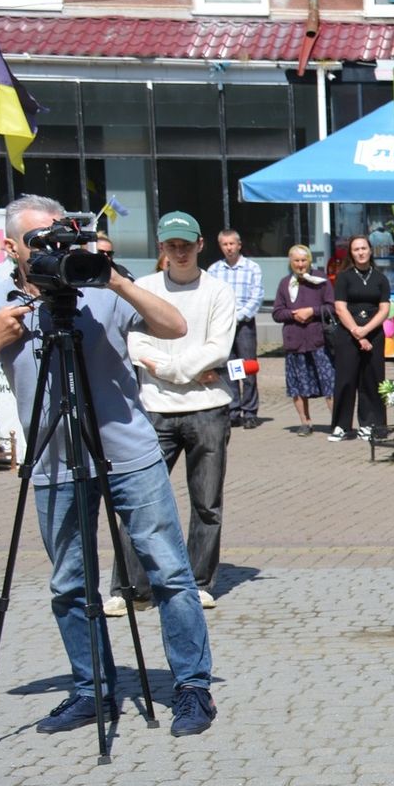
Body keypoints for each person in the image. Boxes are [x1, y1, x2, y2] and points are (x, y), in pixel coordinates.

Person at [0, 193, 217, 738]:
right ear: (10, 246)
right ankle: (93, 689)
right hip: (54, 463)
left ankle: (191, 687)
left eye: (62, 234)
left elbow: (174, 325)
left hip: (130, 456)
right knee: (69, 584)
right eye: (41, 240)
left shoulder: (100, 286)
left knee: (169, 573)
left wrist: (113, 278)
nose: (55, 247)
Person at [108, 211, 237, 614]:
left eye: (186, 245)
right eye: (171, 245)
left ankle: (198, 581)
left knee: (206, 502)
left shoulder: (219, 291)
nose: (179, 252)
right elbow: (131, 342)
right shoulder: (142, 288)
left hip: (208, 407)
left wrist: (169, 367)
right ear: (160, 247)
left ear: (201, 245)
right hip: (153, 408)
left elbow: (218, 346)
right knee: (138, 500)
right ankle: (131, 586)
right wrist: (181, 370)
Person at [329, 234, 391, 442]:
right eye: (356, 249)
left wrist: (367, 331)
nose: (361, 252)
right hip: (348, 333)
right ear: (351, 253)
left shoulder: (380, 278)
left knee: (372, 380)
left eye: (364, 248)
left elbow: (384, 309)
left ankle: (372, 424)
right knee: (346, 380)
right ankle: (341, 425)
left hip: (374, 334)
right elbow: (340, 307)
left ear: (370, 250)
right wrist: (356, 331)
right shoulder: (344, 277)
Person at [272, 245, 335, 436]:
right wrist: (293, 314)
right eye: (296, 261)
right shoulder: (285, 284)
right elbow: (277, 312)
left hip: (318, 340)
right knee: (298, 385)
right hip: (295, 341)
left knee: (329, 382)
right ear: (290, 262)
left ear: (309, 260)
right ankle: (305, 422)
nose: (300, 264)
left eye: (303, 260)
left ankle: (337, 422)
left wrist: (312, 311)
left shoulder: (321, 280)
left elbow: (331, 307)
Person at [211, 228, 262, 428]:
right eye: (225, 244)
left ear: (239, 245)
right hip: (223, 325)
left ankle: (250, 411)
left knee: (248, 367)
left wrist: (238, 316)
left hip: (244, 324)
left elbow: (256, 297)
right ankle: (233, 409)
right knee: (230, 368)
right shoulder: (215, 270)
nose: (229, 248)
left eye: (232, 244)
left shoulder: (252, 268)